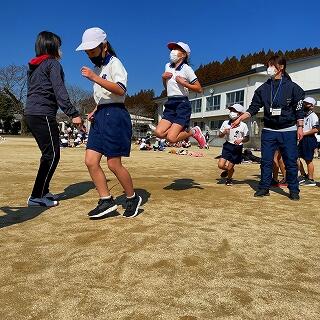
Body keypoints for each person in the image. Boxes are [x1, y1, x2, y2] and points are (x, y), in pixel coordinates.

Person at [76, 27, 142, 218]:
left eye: (92, 50)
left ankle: (132, 197)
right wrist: (95, 109)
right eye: (87, 52)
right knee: (90, 161)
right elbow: (104, 96)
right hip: (101, 115)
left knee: (113, 163)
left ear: (103, 46)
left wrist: (94, 78)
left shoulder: (115, 63)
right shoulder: (98, 68)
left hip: (115, 116)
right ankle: (106, 200)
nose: (89, 55)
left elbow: (120, 90)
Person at [232, 55, 305, 200]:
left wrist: (300, 127)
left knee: (290, 161)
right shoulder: (263, 89)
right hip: (269, 131)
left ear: (281, 67)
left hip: (288, 130)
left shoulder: (293, 88)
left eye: (272, 65)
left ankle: (294, 189)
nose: (269, 68)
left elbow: (299, 109)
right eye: (268, 65)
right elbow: (253, 108)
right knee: (266, 161)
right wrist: (240, 118)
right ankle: (264, 187)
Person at [24, 31, 82, 207]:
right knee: (52, 155)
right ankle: (36, 196)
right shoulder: (52, 64)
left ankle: (44, 191)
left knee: (50, 154)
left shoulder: (34, 67)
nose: (61, 50)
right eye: (59, 46)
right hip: (43, 114)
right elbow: (60, 91)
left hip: (32, 113)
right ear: (52, 47)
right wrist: (73, 113)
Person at [154, 42, 206, 148]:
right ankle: (181, 130)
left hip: (182, 104)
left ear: (184, 54)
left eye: (176, 49)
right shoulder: (167, 66)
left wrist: (184, 83)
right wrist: (163, 78)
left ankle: (193, 132)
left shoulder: (187, 69)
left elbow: (199, 88)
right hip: (170, 102)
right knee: (158, 133)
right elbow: (167, 87)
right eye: (172, 49)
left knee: (171, 138)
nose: (173, 51)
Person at [218, 104, 249, 186]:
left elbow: (247, 138)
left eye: (234, 111)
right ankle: (229, 170)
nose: (231, 113)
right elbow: (220, 135)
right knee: (220, 165)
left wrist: (241, 139)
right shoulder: (225, 123)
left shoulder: (243, 125)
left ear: (240, 114)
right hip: (227, 145)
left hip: (237, 148)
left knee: (230, 166)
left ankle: (229, 179)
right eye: (231, 111)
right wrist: (224, 132)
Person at [297, 97, 319, 186]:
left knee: (308, 160)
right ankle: (303, 175)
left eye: (307, 103)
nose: (305, 105)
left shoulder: (313, 115)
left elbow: (316, 129)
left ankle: (311, 179)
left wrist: (304, 133)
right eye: (304, 103)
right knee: (295, 157)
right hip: (302, 139)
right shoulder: (303, 115)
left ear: (312, 106)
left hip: (309, 139)